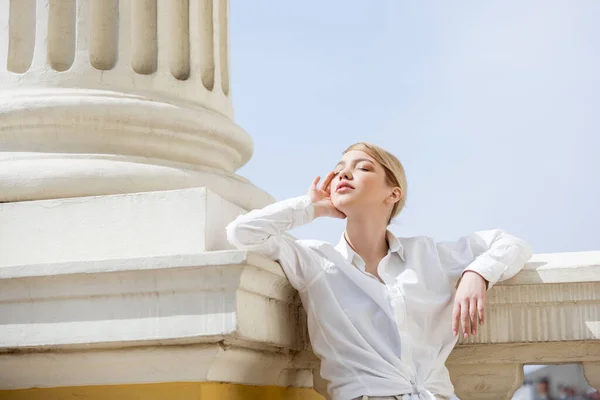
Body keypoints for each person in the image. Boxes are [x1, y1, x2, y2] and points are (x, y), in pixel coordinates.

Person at [226, 142, 533, 400]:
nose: (344, 172)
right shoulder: (316, 261)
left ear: (393, 194)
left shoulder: (428, 255)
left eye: (363, 167)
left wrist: (476, 274)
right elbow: (242, 233)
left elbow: (511, 243)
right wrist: (312, 207)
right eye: (340, 168)